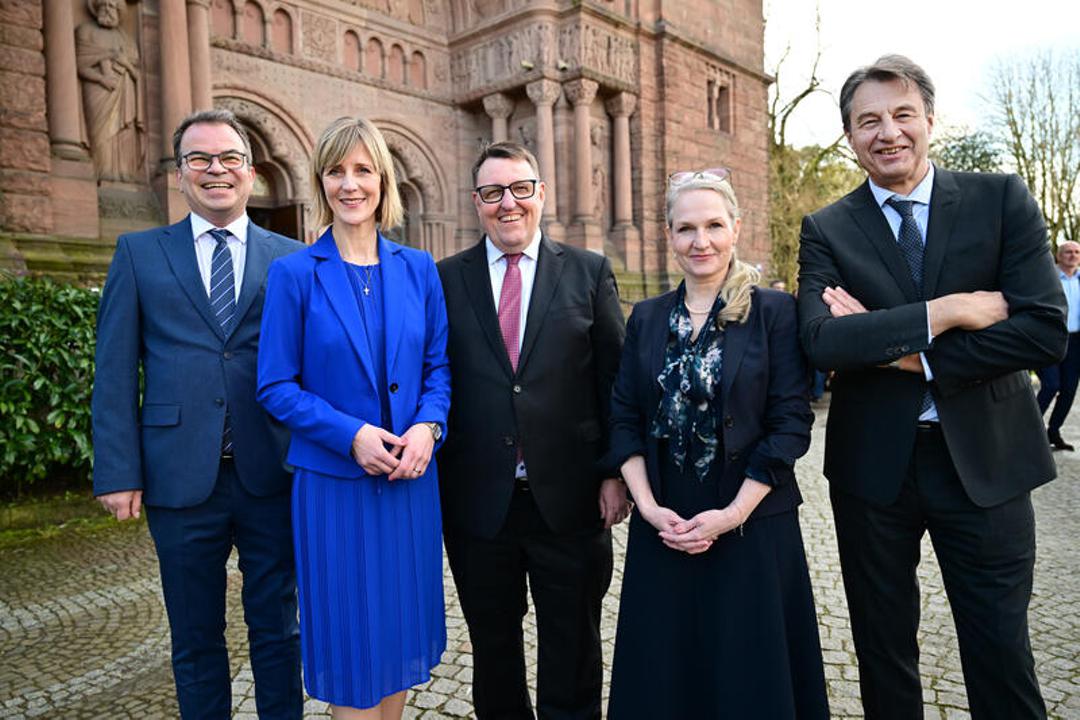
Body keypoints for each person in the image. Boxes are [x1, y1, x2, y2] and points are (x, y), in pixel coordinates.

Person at [797, 55, 1066, 719]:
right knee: (884, 651)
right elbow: (823, 342)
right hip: (874, 470)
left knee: (1001, 651)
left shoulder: (999, 199)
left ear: (928, 121)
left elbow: (1042, 333)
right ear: (850, 138)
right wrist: (944, 313)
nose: (887, 132)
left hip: (988, 460)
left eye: (901, 114)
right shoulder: (826, 228)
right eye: (868, 121)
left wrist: (904, 355)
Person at [92, 108, 303, 719]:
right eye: (200, 159)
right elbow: (114, 371)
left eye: (229, 158)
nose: (217, 170)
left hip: (272, 471)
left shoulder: (291, 257)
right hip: (178, 478)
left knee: (279, 632)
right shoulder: (138, 253)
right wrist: (117, 470)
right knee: (194, 639)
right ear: (180, 174)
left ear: (252, 172)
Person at [605, 168, 828, 719]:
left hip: (752, 520)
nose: (699, 241)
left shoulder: (775, 311)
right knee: (666, 670)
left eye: (712, 226)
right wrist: (651, 509)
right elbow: (625, 415)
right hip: (666, 522)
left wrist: (730, 515)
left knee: (749, 672)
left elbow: (789, 424)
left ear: (735, 228)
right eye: (686, 229)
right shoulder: (649, 317)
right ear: (669, 236)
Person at [257, 116, 450, 720]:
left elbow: (438, 370)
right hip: (335, 490)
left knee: (398, 640)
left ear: (382, 181)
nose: (350, 183)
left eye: (363, 169)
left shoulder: (419, 269)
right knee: (351, 647)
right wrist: (351, 436)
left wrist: (428, 427)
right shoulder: (294, 274)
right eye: (336, 171)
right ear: (321, 182)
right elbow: (275, 385)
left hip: (409, 486)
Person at [436, 141, 628, 719]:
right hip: (478, 504)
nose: (508, 204)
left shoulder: (589, 272)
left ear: (541, 194)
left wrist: (615, 472)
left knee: (572, 648)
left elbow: (615, 382)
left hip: (569, 501)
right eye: (493, 193)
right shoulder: (444, 279)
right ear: (477, 203)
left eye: (521, 189)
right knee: (494, 653)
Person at [1036, 240, 1080, 451]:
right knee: (1051, 385)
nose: (1073, 255)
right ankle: (1027, 429)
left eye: (1077, 252)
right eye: (1068, 252)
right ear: (1058, 256)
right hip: (1049, 340)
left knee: (1070, 389)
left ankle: (1054, 431)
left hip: (1076, 342)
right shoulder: (1047, 278)